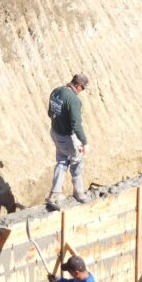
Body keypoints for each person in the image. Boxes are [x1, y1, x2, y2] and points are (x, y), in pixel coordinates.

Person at [46, 73, 91, 209]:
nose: (82, 91)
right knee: (77, 160)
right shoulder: (73, 100)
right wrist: (84, 142)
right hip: (66, 136)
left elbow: (50, 113)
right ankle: (79, 193)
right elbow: (76, 124)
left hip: (55, 132)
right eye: (82, 89)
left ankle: (55, 193)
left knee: (61, 161)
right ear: (78, 86)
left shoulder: (56, 91)